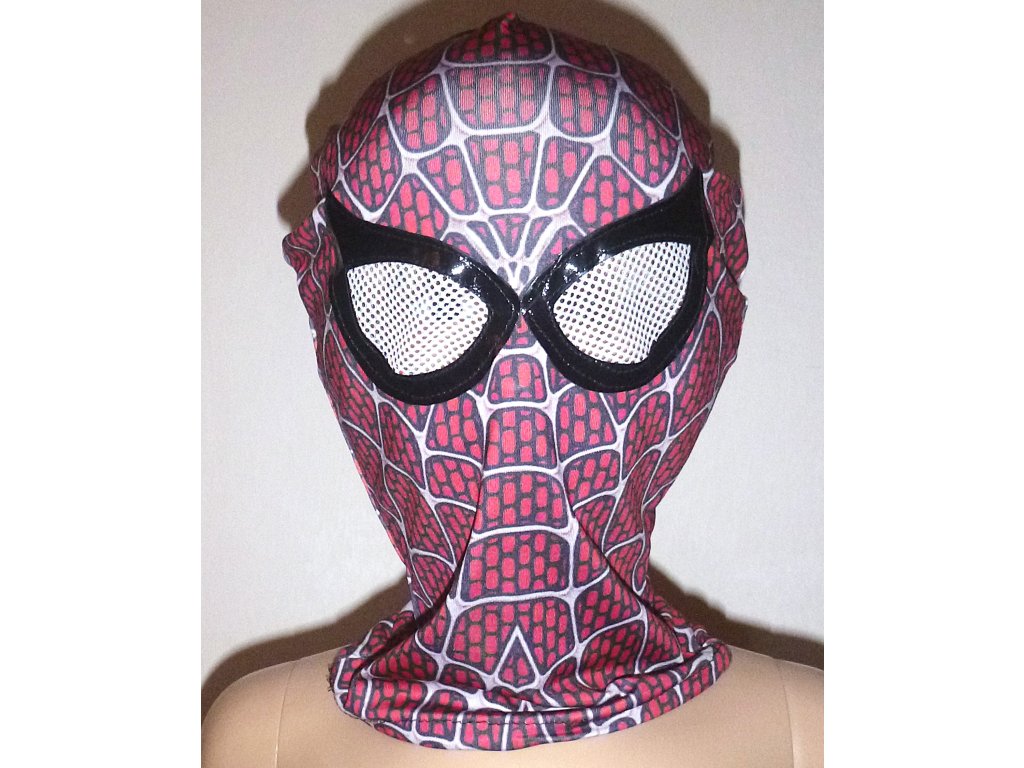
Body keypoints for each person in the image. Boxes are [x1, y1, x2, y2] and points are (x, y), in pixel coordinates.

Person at [203, 13, 822, 766]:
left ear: (704, 333)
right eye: (424, 301)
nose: (516, 395)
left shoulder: (816, 730)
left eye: (611, 294)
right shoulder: (254, 738)